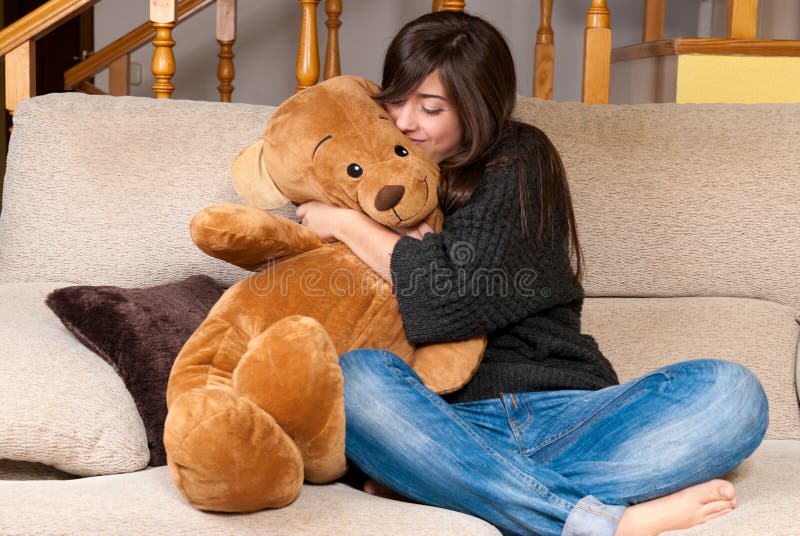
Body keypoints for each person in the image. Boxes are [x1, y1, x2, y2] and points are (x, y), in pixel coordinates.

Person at [295, 11, 768, 536]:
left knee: (732, 392)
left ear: (476, 109)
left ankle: (447, 483)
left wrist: (344, 224)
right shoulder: (359, 169)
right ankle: (594, 520)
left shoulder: (520, 156)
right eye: (396, 100)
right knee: (355, 379)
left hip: (566, 412)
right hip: (443, 419)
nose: (406, 120)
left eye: (430, 107)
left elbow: (448, 300)